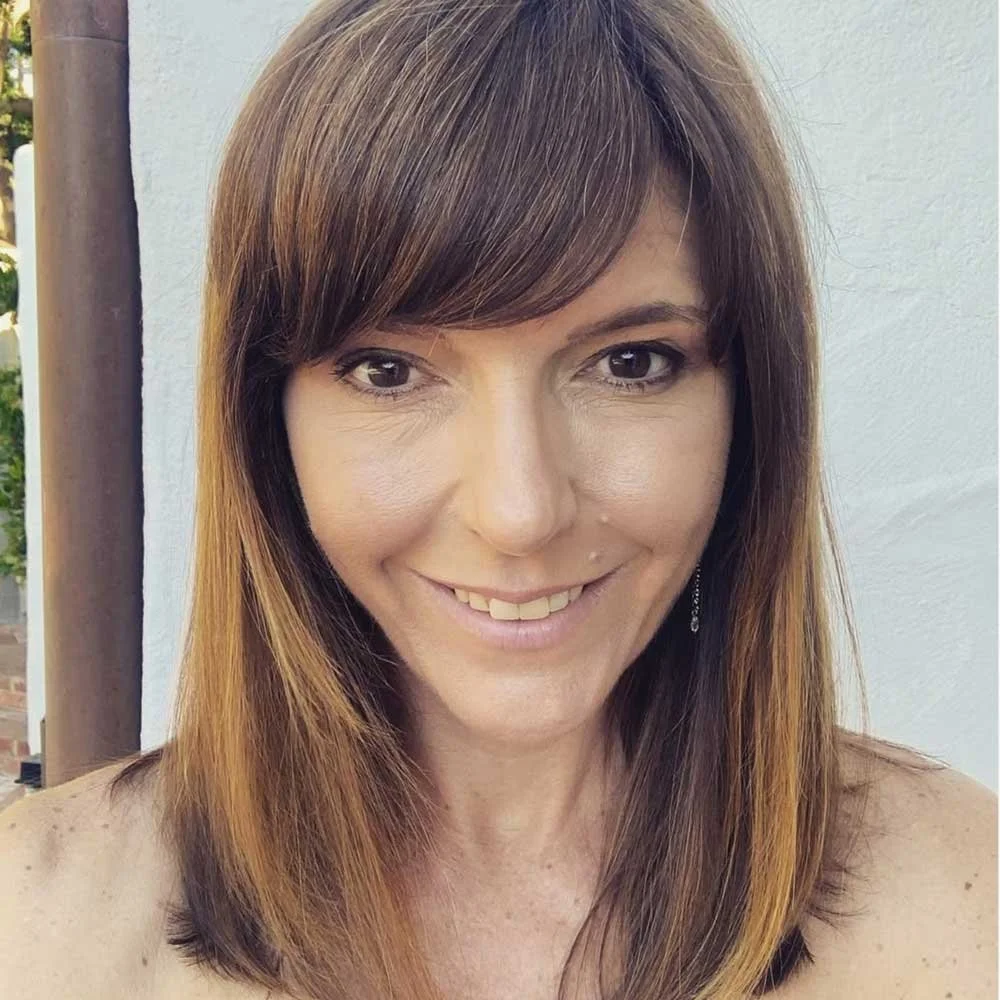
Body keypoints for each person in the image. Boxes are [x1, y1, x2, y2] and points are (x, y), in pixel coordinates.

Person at [1, 1, 995, 998]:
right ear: (269, 420)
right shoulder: (35, 927)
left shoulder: (963, 906)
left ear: (749, 405)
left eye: (628, 361)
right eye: (389, 370)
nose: (519, 513)